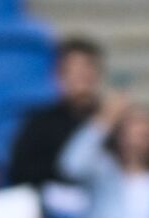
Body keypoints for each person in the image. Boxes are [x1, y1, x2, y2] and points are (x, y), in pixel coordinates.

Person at [7, 37, 106, 190]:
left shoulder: (115, 123)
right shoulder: (40, 124)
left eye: (87, 68)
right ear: (59, 75)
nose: (82, 76)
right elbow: (23, 173)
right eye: (74, 70)